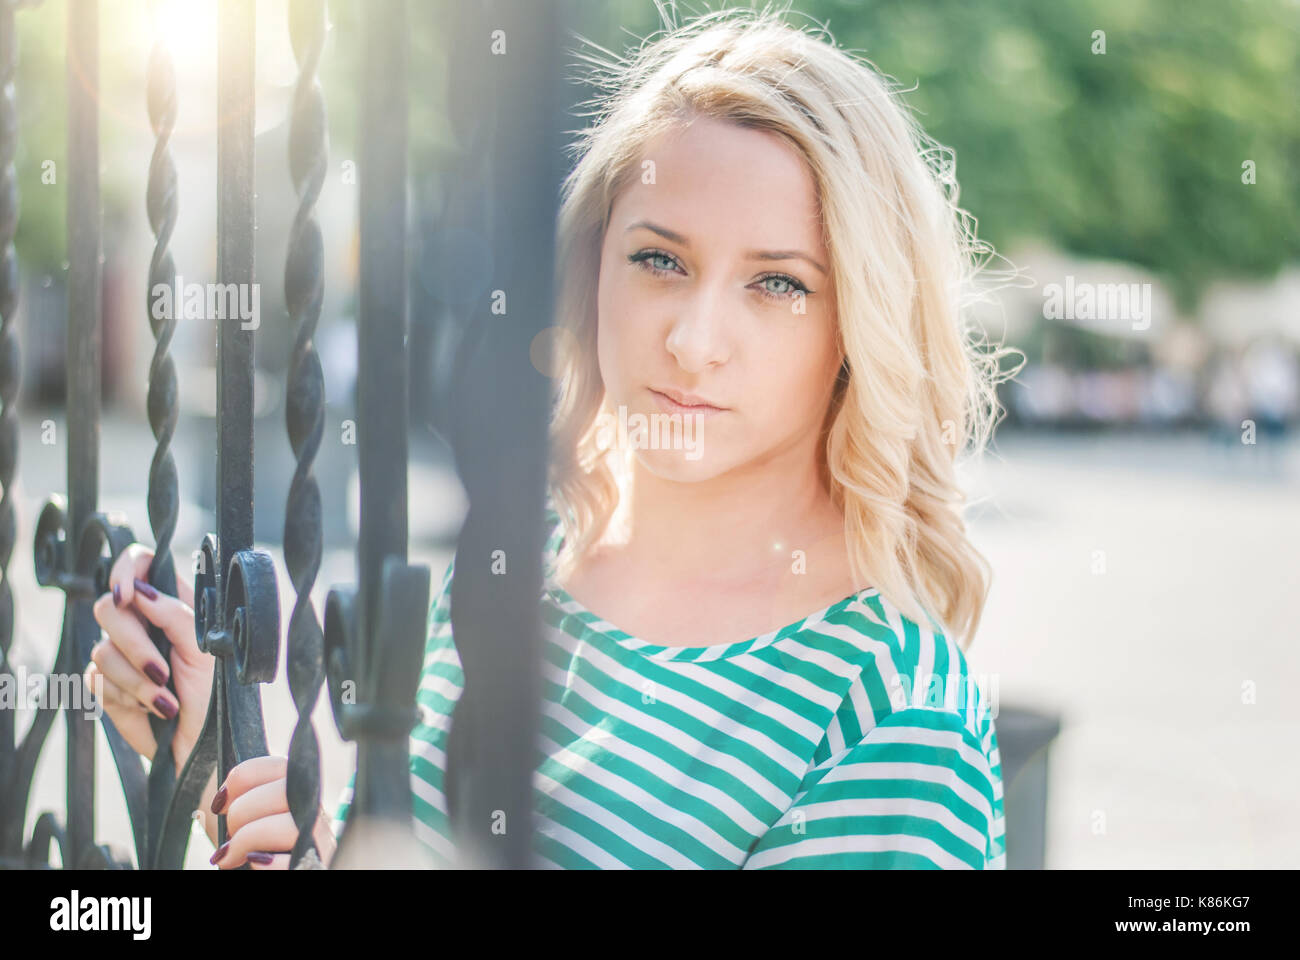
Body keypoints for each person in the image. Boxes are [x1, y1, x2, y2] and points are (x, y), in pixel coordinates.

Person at [88, 6, 1018, 869]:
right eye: (661, 259)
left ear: (862, 322)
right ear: (589, 268)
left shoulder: (895, 718)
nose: (694, 342)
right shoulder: (522, 553)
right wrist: (221, 747)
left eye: (778, 284)